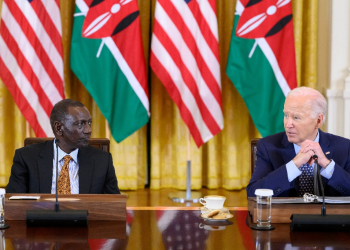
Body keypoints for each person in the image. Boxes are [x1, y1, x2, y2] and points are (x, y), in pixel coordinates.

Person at [247, 87, 350, 197]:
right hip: (285, 214)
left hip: (330, 214)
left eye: (296, 117)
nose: (288, 124)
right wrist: (294, 164)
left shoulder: (344, 147)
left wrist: (326, 164)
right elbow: (253, 193)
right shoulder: (268, 147)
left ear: (318, 121)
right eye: (286, 115)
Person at [6, 99, 120, 194]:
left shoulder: (102, 161)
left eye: (89, 123)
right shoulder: (26, 158)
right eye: (80, 124)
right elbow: (14, 204)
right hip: (41, 221)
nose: (88, 130)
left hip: (86, 220)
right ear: (59, 128)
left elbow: (114, 207)